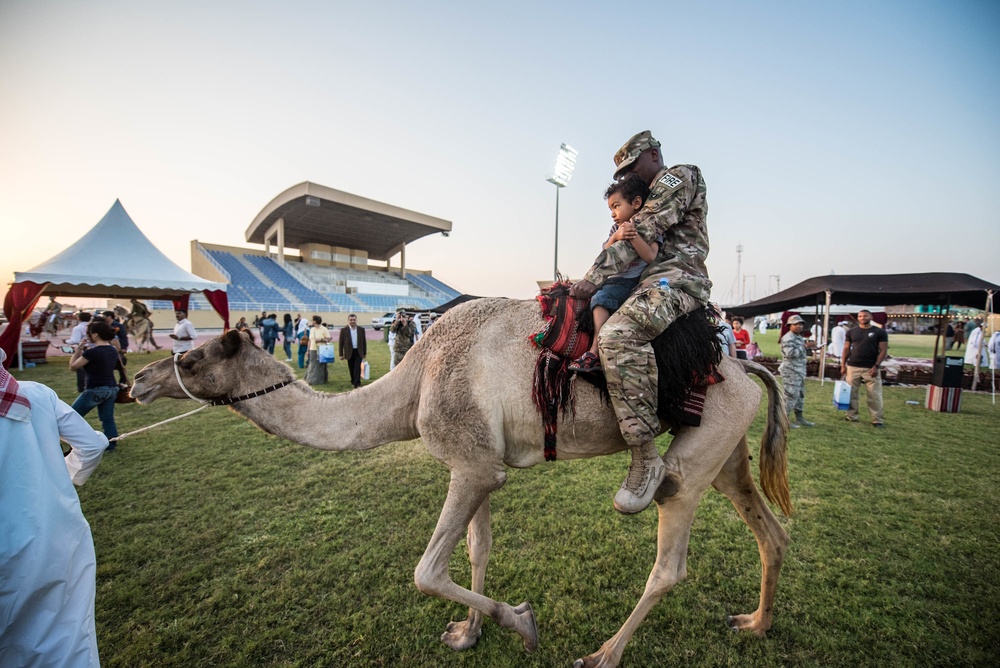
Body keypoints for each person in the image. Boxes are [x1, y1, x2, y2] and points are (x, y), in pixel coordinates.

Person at [569, 130, 711, 514]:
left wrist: (589, 280)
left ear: (653, 154)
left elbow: (642, 229)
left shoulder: (676, 176)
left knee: (617, 334)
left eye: (633, 167)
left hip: (675, 280)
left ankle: (646, 458)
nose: (632, 175)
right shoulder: (645, 193)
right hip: (645, 283)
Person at [0, 348, 109, 668]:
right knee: (63, 642)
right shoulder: (36, 395)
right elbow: (91, 445)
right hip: (53, 541)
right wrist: (64, 475)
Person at [569, 174, 658, 373]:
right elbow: (605, 253)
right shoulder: (614, 229)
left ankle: (595, 350)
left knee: (600, 299)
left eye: (616, 206)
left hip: (629, 282)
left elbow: (651, 256)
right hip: (612, 278)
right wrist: (617, 236)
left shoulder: (651, 228)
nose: (612, 213)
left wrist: (633, 237)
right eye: (611, 208)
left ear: (636, 203)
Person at [69, 320, 123, 446]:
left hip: (95, 388)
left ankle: (76, 441)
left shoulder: (92, 352)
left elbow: (73, 366)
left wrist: (78, 350)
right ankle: (111, 443)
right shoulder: (113, 349)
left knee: (72, 415)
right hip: (112, 388)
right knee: (107, 418)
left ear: (95, 335)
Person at [840, 309, 888, 427]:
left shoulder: (879, 332)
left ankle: (877, 419)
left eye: (865, 316)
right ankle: (851, 416)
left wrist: (876, 366)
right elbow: (846, 348)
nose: (862, 318)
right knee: (851, 393)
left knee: (874, 395)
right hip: (853, 366)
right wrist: (843, 365)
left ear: (871, 317)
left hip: (871, 367)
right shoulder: (851, 332)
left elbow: (883, 350)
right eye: (860, 316)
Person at [779, 315, 816, 428]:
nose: (799, 326)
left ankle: (799, 418)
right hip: (791, 371)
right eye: (796, 324)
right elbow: (790, 354)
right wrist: (805, 346)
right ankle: (783, 420)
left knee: (800, 395)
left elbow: (801, 352)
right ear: (790, 326)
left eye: (801, 324)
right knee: (790, 395)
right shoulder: (787, 338)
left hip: (799, 370)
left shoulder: (798, 337)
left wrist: (810, 347)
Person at [339, 314, 368, 388]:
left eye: (354, 320)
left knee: (357, 367)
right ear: (348, 321)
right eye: (351, 320)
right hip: (349, 352)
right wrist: (341, 354)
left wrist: (364, 352)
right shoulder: (344, 330)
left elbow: (364, 342)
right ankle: (353, 380)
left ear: (356, 320)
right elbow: (341, 343)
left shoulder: (361, 329)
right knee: (351, 367)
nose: (352, 321)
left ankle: (357, 383)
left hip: (358, 351)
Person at [305, 315, 331, 386]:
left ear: (315, 321)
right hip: (313, 349)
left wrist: (321, 340)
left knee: (321, 365)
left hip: (321, 349)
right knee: (312, 364)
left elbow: (328, 339)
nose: (311, 321)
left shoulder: (324, 329)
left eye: (312, 320)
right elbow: (310, 340)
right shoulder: (312, 329)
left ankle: (321, 379)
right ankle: (311, 379)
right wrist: (308, 350)